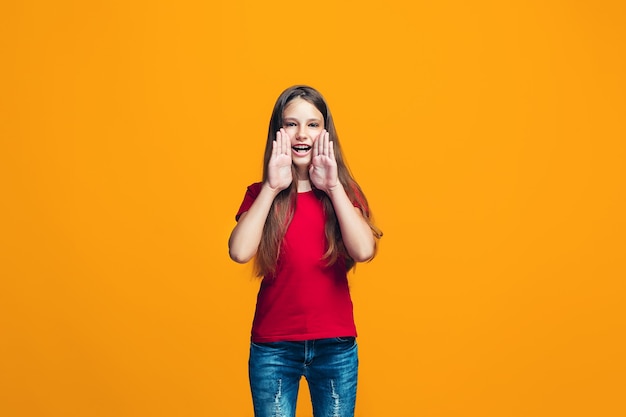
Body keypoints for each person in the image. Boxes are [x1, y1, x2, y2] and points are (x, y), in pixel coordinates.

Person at [228, 85, 382, 417]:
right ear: (278, 132)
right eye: (291, 123)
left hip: (335, 347)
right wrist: (272, 187)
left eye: (313, 124)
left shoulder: (343, 193)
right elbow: (240, 252)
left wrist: (334, 187)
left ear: (325, 132)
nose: (302, 133)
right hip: (274, 347)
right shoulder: (259, 194)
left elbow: (364, 249)